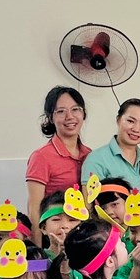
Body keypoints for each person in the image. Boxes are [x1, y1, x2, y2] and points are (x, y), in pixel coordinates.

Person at [26, 87, 90, 245]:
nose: (70, 116)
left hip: (81, 236)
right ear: (50, 117)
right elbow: (34, 208)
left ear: (83, 114)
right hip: (53, 237)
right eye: (61, 111)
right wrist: (38, 249)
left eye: (75, 109)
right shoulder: (41, 157)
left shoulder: (90, 155)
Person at [81, 99, 140, 191]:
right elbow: (89, 199)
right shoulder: (96, 159)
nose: (136, 129)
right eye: (130, 121)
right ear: (118, 120)